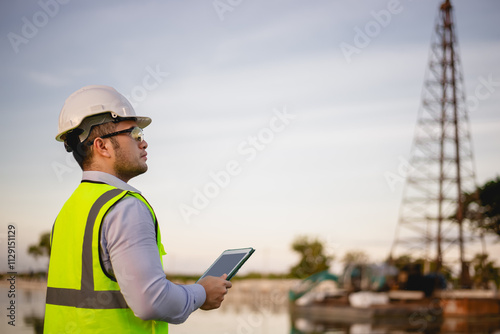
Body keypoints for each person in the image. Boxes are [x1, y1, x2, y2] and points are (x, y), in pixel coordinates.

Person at [44, 85, 232, 333]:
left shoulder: (68, 211)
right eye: (134, 133)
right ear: (102, 146)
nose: (143, 143)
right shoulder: (124, 207)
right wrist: (201, 293)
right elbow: (151, 301)